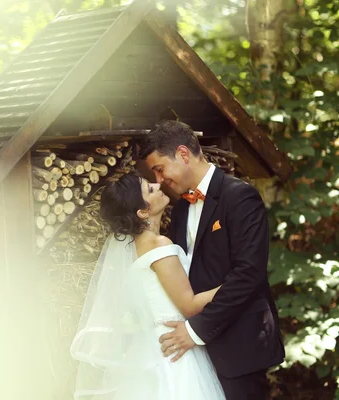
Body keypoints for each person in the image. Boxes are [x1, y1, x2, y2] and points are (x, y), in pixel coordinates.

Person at [138, 120, 285, 400]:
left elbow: (249, 274)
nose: (159, 180)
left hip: (239, 346)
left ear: (183, 154)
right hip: (194, 357)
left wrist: (195, 331)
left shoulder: (240, 197)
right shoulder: (181, 209)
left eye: (159, 169)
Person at [70, 171, 226, 400]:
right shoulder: (158, 244)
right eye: (150, 189)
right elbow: (190, 305)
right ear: (142, 212)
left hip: (150, 350)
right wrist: (234, 284)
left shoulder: (131, 249)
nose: (158, 184)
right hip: (174, 348)